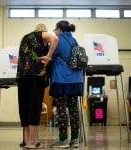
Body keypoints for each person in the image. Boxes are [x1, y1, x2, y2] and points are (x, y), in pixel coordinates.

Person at [16, 23, 58, 149]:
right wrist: (48, 56)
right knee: (35, 107)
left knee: (24, 106)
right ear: (43, 31)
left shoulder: (25, 37)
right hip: (36, 76)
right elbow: (55, 38)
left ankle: (26, 139)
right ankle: (31, 142)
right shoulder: (41, 35)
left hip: (22, 76)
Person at [49, 20, 84, 148]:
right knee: (74, 109)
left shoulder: (57, 40)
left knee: (62, 109)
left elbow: (50, 57)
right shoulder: (74, 41)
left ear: (59, 30)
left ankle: (63, 140)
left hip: (61, 79)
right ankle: (75, 139)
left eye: (55, 30)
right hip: (76, 80)